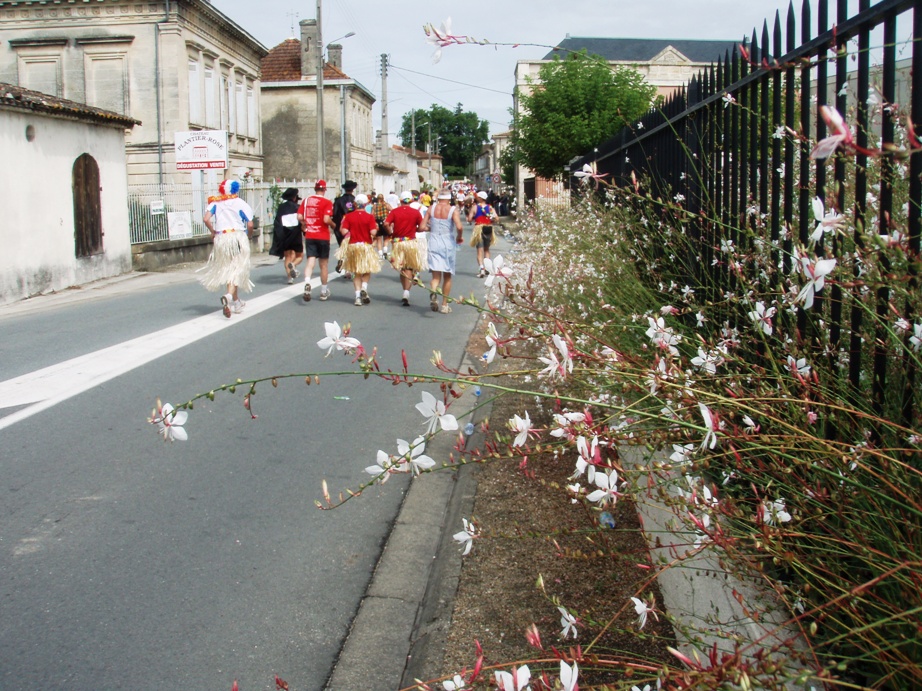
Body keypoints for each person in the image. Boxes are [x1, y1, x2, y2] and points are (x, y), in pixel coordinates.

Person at [200, 179, 254, 318]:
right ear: (236, 189)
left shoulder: (215, 203)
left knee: (229, 268)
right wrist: (249, 236)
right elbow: (250, 224)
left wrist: (212, 231)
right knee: (237, 268)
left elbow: (206, 219)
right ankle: (229, 296)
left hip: (221, 239)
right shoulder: (240, 203)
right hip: (236, 236)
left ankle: (236, 302)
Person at [420, 189, 464, 313]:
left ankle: (434, 292)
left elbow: (422, 227)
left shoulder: (431, 209)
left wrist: (431, 228)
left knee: (435, 276)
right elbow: (459, 226)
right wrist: (459, 236)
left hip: (433, 241)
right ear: (449, 198)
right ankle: (444, 305)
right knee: (447, 275)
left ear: (438, 198)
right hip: (447, 242)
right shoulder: (452, 210)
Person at [340, 193, 381, 306]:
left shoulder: (349, 216)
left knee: (356, 272)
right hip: (365, 246)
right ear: (365, 204)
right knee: (367, 269)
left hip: (353, 246)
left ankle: (357, 297)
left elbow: (343, 231)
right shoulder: (369, 217)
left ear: (355, 204)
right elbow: (373, 232)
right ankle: (364, 287)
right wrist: (375, 229)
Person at [385, 190, 424, 306]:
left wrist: (390, 232)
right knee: (410, 266)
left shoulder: (394, 211)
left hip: (398, 243)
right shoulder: (415, 212)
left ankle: (405, 291)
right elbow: (421, 227)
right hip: (410, 242)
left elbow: (386, 224)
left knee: (402, 268)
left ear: (400, 201)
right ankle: (407, 290)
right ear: (411, 200)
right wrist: (415, 229)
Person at [297, 179, 334, 302]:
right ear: (324, 190)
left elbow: (300, 216)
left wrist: (304, 224)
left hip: (310, 235)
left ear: (315, 188)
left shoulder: (306, 201)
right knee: (323, 265)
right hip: (323, 235)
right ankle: (323, 291)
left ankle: (307, 282)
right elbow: (326, 219)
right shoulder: (327, 202)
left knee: (310, 261)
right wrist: (334, 225)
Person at [271, 187, 303, 284]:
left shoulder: (281, 207)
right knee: (299, 255)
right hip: (296, 234)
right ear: (294, 198)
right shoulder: (298, 207)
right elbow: (301, 221)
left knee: (287, 256)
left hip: (284, 235)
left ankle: (290, 278)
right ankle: (293, 265)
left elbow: (277, 221)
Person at [468, 190, 498, 278]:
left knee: (479, 250)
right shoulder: (490, 207)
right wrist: (490, 219)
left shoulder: (475, 207)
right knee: (486, 249)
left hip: (479, 229)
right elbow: (496, 218)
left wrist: (474, 218)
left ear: (480, 198)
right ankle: (488, 268)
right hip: (488, 228)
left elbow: (469, 219)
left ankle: (482, 269)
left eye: (477, 197)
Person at [371, 193, 392, 258]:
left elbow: (372, 214)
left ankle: (380, 253)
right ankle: (385, 250)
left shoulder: (375, 206)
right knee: (386, 237)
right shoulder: (386, 205)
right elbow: (392, 210)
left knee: (378, 238)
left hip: (377, 222)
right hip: (385, 221)